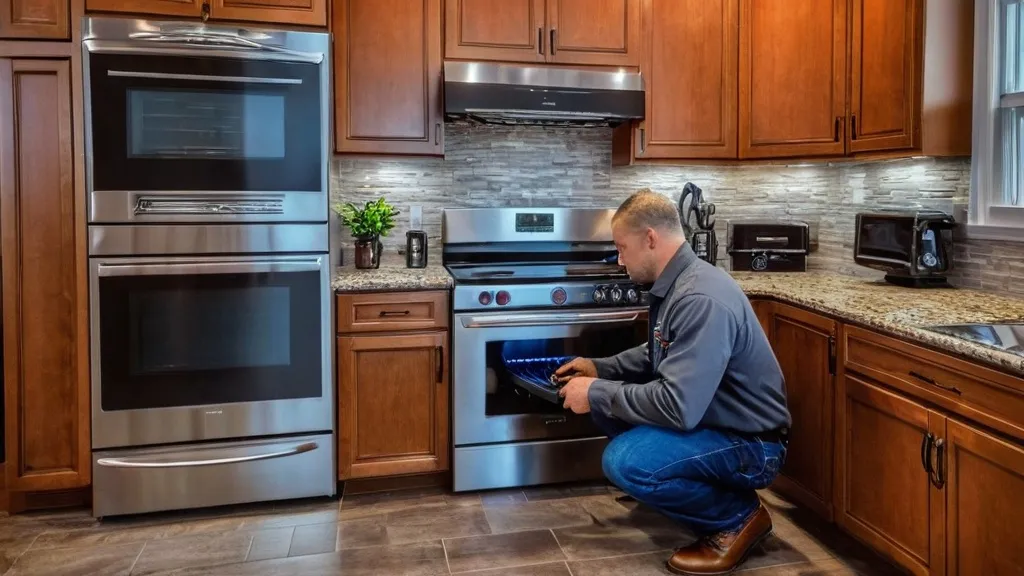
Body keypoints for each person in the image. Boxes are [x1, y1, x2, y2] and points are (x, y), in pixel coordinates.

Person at [554, 189, 792, 576]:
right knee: (606, 408)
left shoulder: (700, 297)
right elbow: (659, 353)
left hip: (752, 443)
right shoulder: (680, 282)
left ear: (650, 238)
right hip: (716, 422)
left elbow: (678, 406)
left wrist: (597, 391)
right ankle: (692, 490)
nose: (619, 260)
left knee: (626, 462)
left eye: (622, 248)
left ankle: (738, 518)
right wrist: (600, 368)